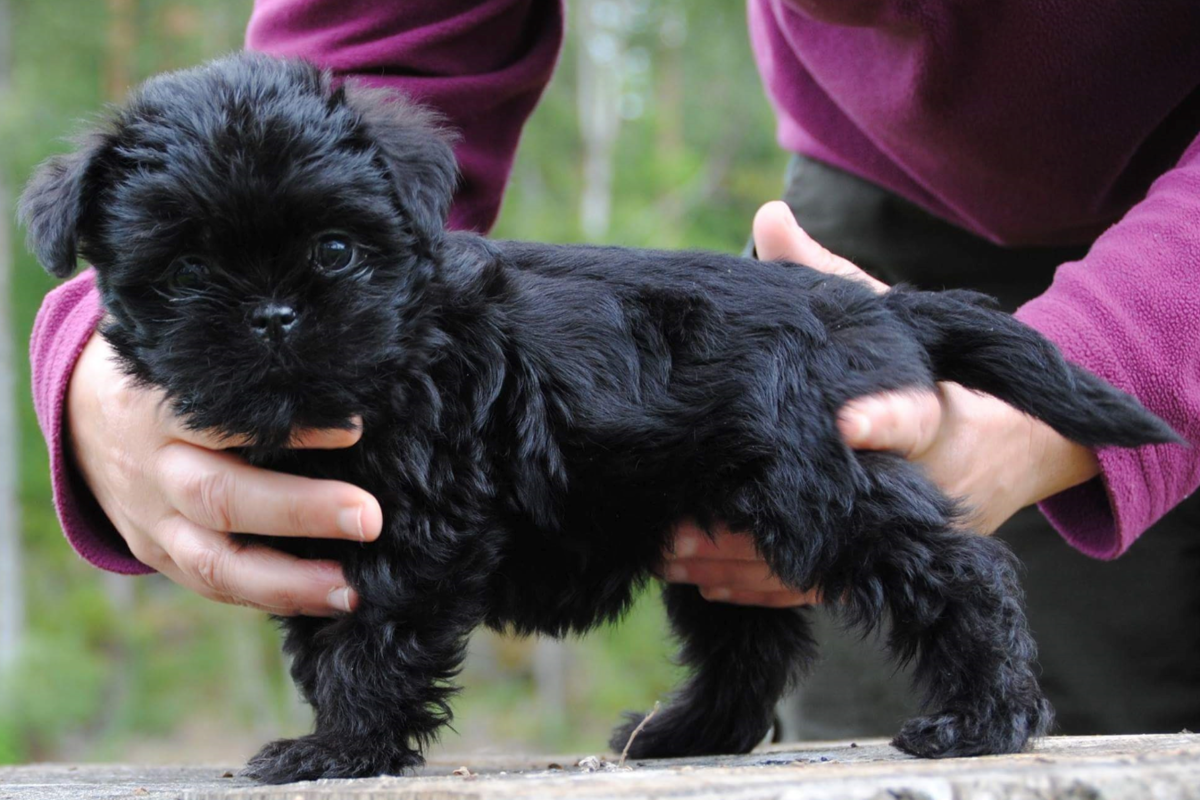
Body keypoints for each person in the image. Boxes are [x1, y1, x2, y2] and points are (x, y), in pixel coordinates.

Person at [31, 1, 1200, 738]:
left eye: (331, 257)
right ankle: (738, 705)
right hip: (887, 189)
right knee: (772, 591)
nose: (274, 315)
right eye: (187, 279)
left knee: (857, 524)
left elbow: (424, 558)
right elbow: (377, 42)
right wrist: (83, 375)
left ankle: (988, 686)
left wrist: (1097, 372)